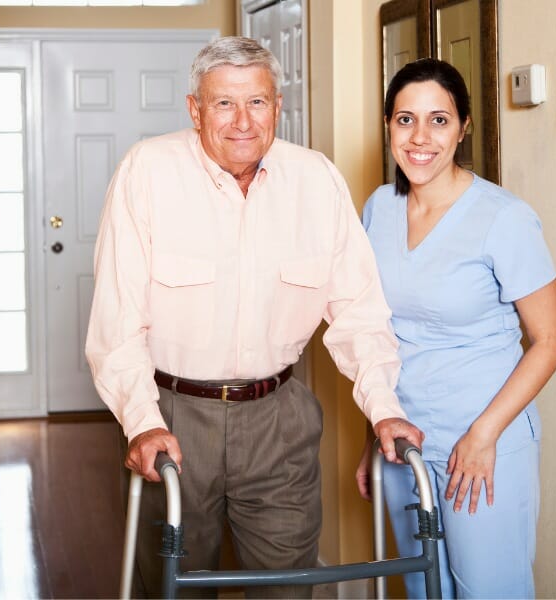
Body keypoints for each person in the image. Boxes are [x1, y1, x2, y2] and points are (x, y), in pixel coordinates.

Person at [85, 36, 423, 598]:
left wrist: (384, 410)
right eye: (223, 104)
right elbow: (116, 323)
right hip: (171, 415)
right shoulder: (146, 172)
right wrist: (142, 421)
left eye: (258, 102)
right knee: (172, 585)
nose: (243, 121)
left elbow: (358, 315)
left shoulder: (315, 180)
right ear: (195, 109)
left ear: (278, 107)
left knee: (288, 586)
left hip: (278, 421)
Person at [356, 58, 556, 599]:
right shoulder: (378, 209)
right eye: (405, 120)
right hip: (404, 443)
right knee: (425, 590)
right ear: (388, 126)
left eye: (439, 120)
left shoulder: (504, 218)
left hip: (483, 444)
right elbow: (377, 331)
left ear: (464, 126)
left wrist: (484, 433)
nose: (420, 137)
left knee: (488, 592)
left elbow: (550, 340)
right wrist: (377, 426)